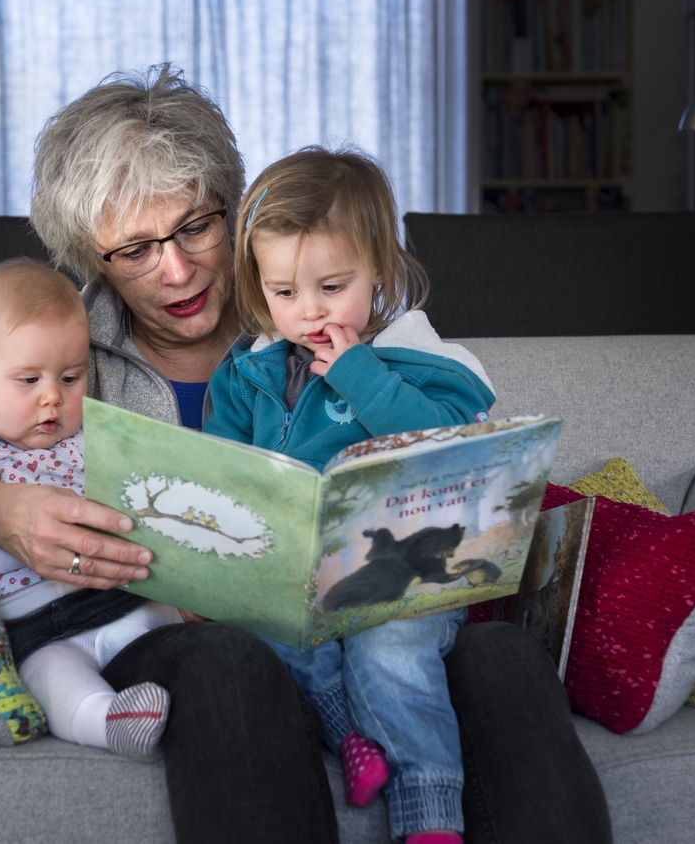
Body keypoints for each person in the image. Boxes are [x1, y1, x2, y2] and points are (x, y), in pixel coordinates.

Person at [0, 63, 612, 844]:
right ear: (93, 258)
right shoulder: (54, 346)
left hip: (369, 606)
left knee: (503, 655)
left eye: (196, 225)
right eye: (136, 249)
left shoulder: (310, 312)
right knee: (231, 658)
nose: (179, 265)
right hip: (169, 629)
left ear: (234, 211)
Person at [204, 147, 493, 844]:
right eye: (283, 293)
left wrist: (363, 377)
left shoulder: (423, 361)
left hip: (408, 578)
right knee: (253, 632)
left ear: (381, 270)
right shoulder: (248, 373)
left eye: (332, 288)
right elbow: (225, 472)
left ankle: (430, 818)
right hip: (298, 580)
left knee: (388, 650)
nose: (307, 313)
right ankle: (348, 735)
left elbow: (455, 446)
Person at [0, 259, 183, 760]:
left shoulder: (96, 443)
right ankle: (109, 722)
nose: (52, 398)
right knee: (50, 680)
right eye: (28, 379)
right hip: (33, 627)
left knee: (173, 619)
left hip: (114, 602)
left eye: (70, 377)